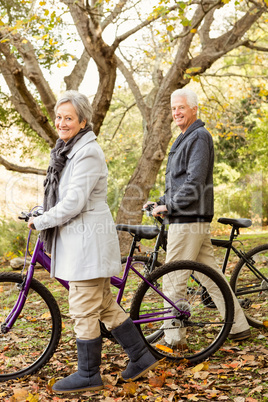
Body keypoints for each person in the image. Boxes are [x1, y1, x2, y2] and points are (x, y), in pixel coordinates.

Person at [28, 90, 158, 394]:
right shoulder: (67, 150)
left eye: (69, 118)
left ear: (83, 121)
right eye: (59, 117)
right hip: (82, 240)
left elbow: (73, 202)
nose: (61, 123)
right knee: (102, 303)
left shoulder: (87, 152)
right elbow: (63, 195)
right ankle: (141, 356)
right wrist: (42, 210)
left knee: (84, 308)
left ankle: (88, 374)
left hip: (86, 241)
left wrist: (43, 220)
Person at [144, 87, 251, 349]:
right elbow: (181, 182)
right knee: (210, 275)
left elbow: (195, 182)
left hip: (188, 219)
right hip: (189, 217)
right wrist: (160, 201)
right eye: (173, 108)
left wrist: (169, 206)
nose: (176, 112)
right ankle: (239, 326)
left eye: (181, 107)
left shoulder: (199, 136)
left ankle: (172, 339)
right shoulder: (184, 137)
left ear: (194, 108)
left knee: (173, 278)